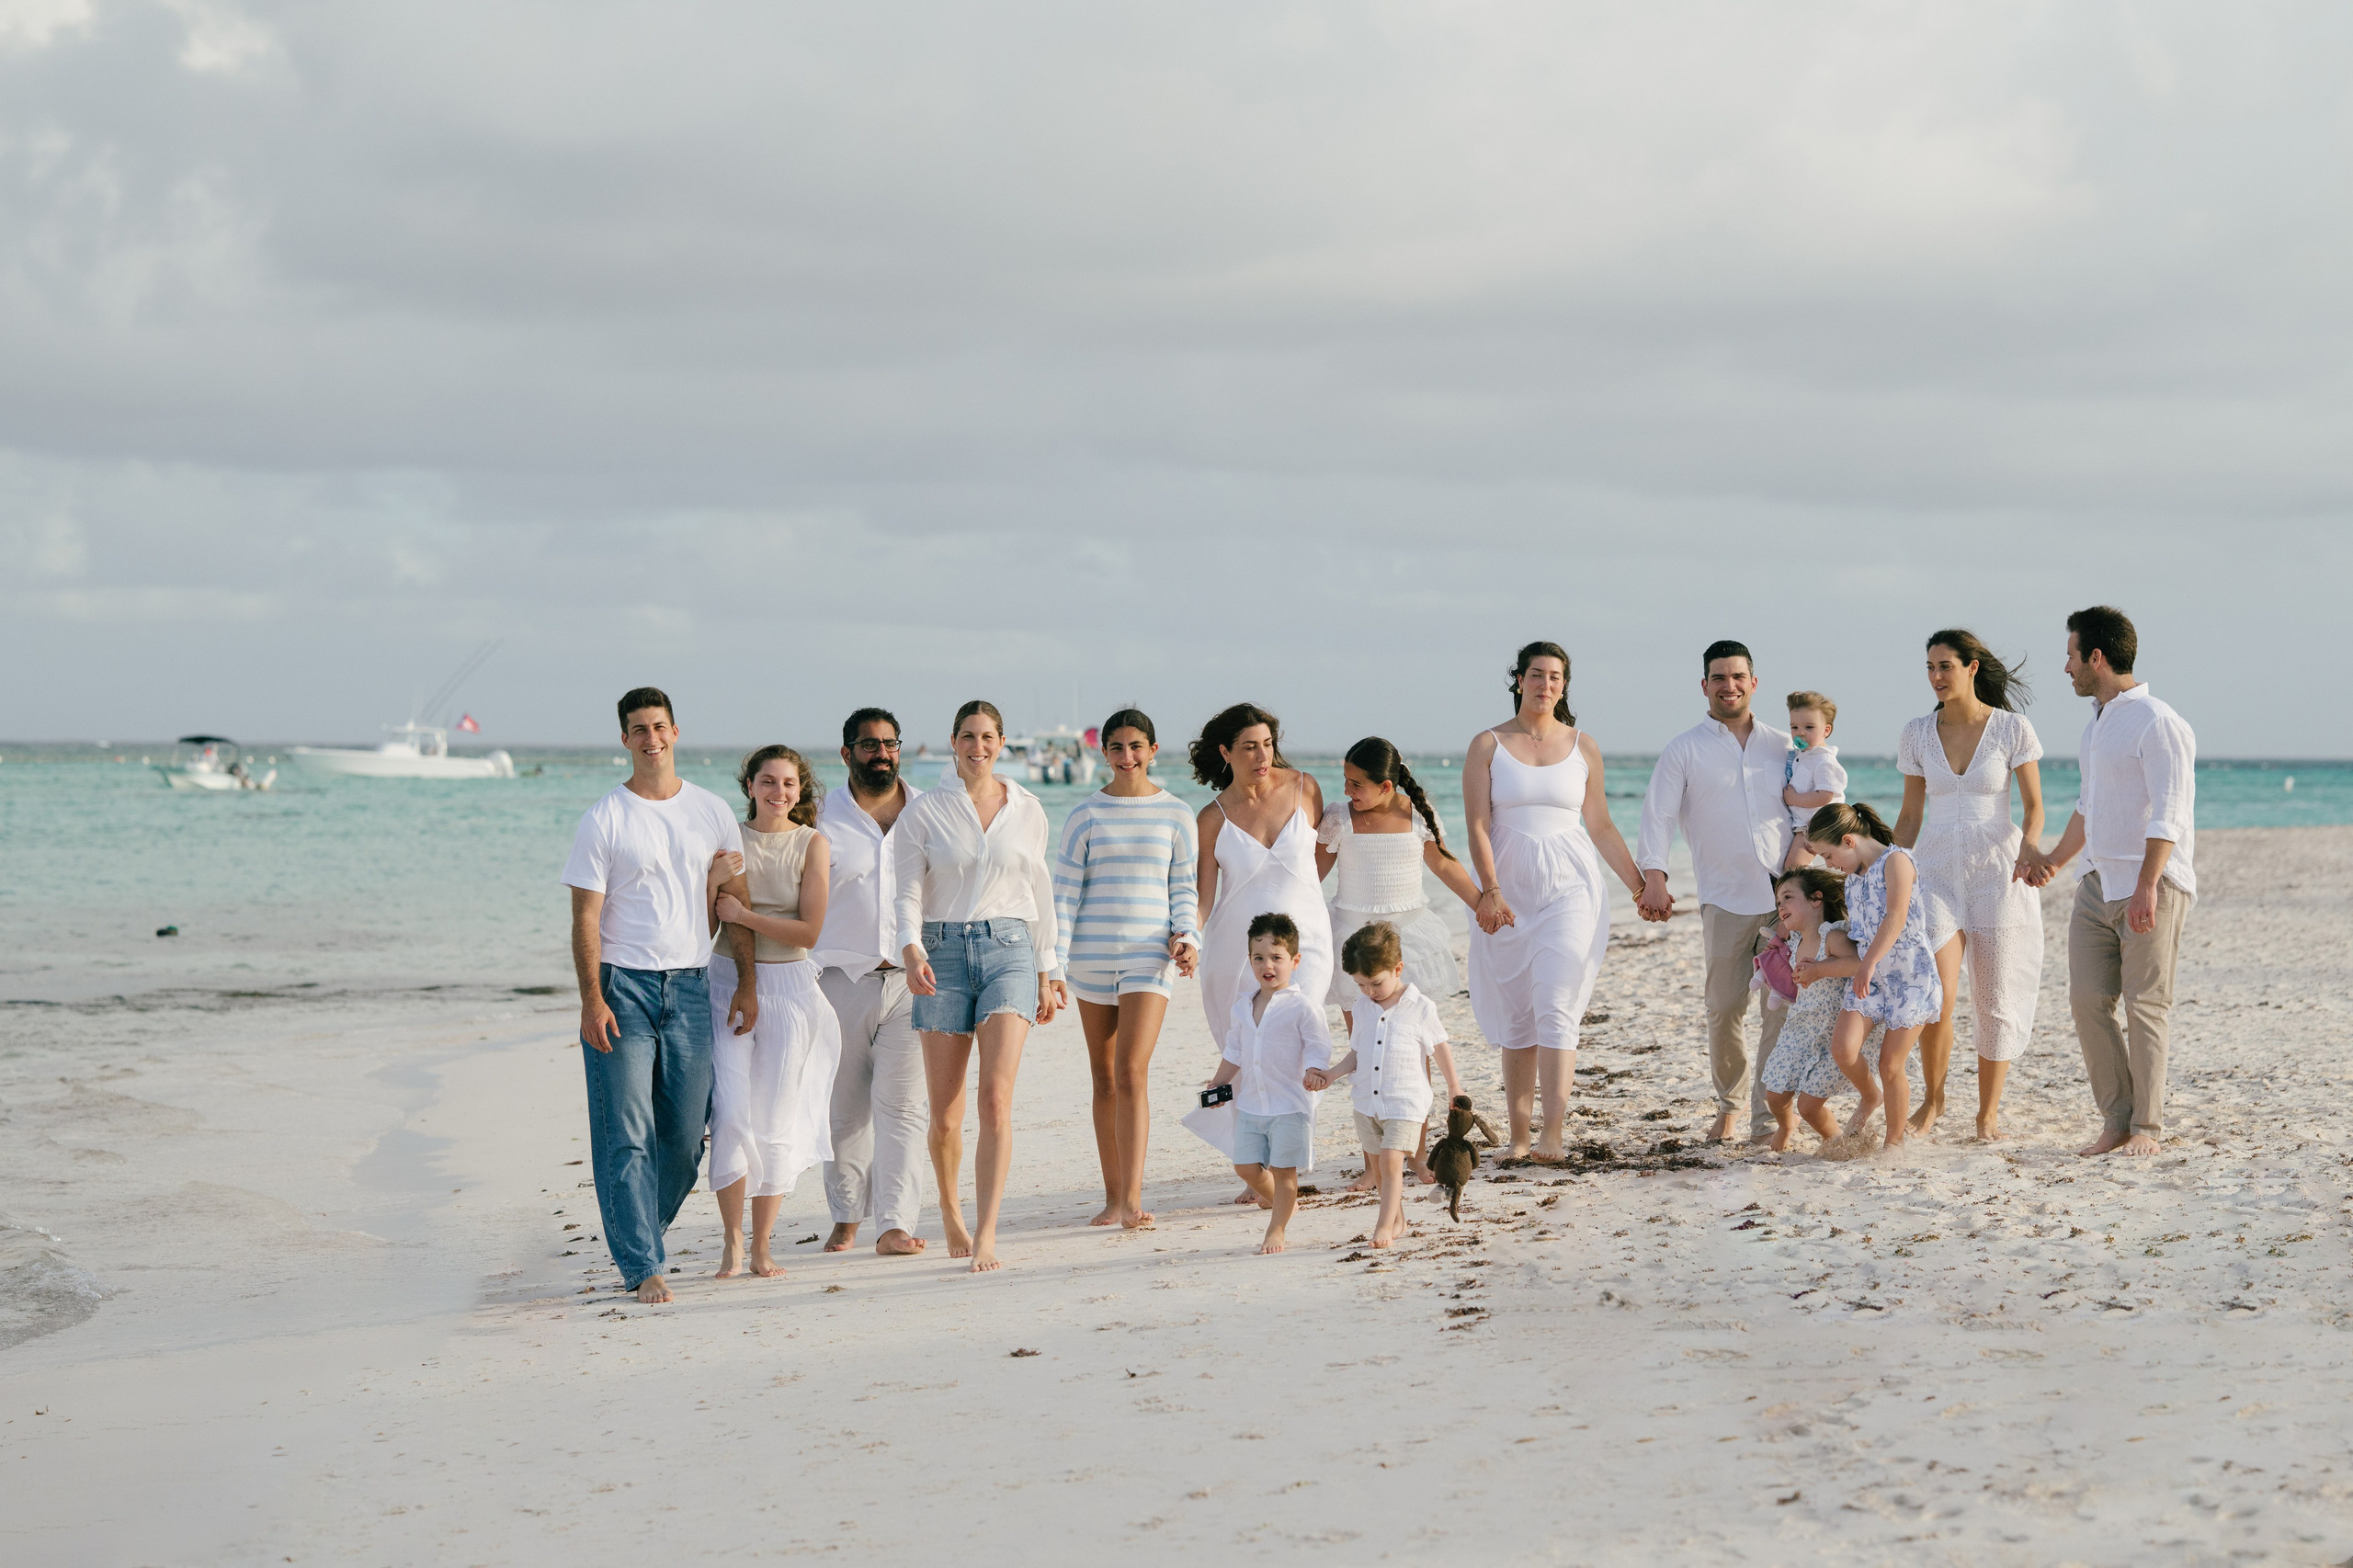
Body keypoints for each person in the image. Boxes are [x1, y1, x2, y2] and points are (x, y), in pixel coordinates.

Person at [561, 687, 755, 1304]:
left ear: (676, 732)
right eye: (639, 729)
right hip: (624, 988)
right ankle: (642, 1264)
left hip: (692, 987)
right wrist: (593, 1000)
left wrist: (748, 979)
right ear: (625, 739)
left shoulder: (712, 811)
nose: (651, 738)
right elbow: (585, 919)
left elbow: (732, 907)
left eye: (660, 727)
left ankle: (638, 1231)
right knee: (626, 1131)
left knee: (682, 1136)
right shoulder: (605, 817)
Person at [894, 699, 1065, 1271]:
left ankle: (988, 1230)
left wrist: (1049, 970)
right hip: (939, 953)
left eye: (988, 737)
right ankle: (950, 1211)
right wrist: (911, 946)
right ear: (953, 742)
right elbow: (906, 892)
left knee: (995, 1097)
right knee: (945, 1113)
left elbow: (1040, 892)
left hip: (1010, 950)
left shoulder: (1028, 809)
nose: (978, 747)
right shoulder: (923, 813)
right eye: (968, 736)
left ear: (1001, 742)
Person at [2020, 606, 2195, 1158]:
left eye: (2071, 655)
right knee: (2087, 1001)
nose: (2065, 666)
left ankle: (2147, 1127)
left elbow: (2170, 813)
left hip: (2152, 885)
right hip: (2097, 885)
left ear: (2097, 657)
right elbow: (2087, 809)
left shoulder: (2158, 721)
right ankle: (2116, 1119)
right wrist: (2054, 861)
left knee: (2147, 1005)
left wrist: (2148, 884)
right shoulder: (2095, 723)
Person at [1463, 642, 1645, 1161]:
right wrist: (1490, 890)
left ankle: (1553, 1134)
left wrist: (1638, 885)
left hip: (1571, 884)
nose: (1546, 684)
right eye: (1537, 675)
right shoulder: (1487, 745)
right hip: (1508, 889)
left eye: (1556, 677)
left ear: (1564, 685)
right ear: (1518, 680)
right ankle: (1520, 1136)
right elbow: (1477, 823)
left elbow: (1602, 825)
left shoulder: (1583, 746)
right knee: (1519, 1013)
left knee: (1557, 1006)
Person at [1636, 640, 1795, 1143]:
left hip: (1786, 902)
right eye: (1719, 678)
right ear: (1705, 686)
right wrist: (1655, 876)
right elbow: (1658, 814)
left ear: (1754, 682)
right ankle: (1729, 1105)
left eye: (1738, 676)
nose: (1729, 686)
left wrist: (1811, 860)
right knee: (1725, 1006)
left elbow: (1819, 806)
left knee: (1781, 1007)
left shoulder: (1783, 745)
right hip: (1724, 897)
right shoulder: (1684, 749)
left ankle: (1766, 1118)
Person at [1893, 631, 2046, 1142]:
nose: (1937, 677)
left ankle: (1987, 1115)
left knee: (1996, 994)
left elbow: (2035, 807)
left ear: (1972, 667)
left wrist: (2031, 845)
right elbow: (1911, 813)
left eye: (1946, 667)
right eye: (1930, 667)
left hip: (1998, 870)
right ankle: (1934, 1100)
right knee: (1936, 993)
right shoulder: (1917, 733)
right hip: (1933, 870)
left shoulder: (2011, 729)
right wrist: (1888, 868)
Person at [1052, 708, 1200, 1231]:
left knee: (1132, 1070)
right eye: (1116, 747)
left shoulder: (1177, 814)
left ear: (1153, 750)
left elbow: (1184, 888)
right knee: (1103, 1077)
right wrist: (1054, 963)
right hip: (1090, 956)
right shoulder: (1085, 815)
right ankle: (1113, 1198)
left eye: (1136, 746)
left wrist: (1188, 936)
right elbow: (1065, 896)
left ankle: (1134, 1200)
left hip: (1149, 955)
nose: (1127, 756)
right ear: (1105, 753)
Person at [1316, 736, 1482, 1189]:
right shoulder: (1339, 819)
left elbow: (1446, 866)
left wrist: (1482, 902)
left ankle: (1416, 1154)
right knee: (1365, 1052)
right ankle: (1373, 1165)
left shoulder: (1416, 816)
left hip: (1406, 945)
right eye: (1345, 780)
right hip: (1353, 942)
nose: (1347, 790)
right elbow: (1310, 878)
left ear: (1386, 785)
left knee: (1413, 1055)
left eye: (1356, 783)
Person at [706, 745, 841, 1278]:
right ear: (751, 786)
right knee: (732, 1114)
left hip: (789, 988)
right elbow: (705, 921)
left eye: (788, 783)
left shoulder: (813, 844)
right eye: (768, 781)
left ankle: (763, 1245)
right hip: (723, 983)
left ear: (800, 790)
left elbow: (809, 931)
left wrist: (744, 914)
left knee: (776, 1120)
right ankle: (732, 1241)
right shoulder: (728, 840)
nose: (778, 792)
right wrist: (716, 882)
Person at [1192, 703, 1333, 1200]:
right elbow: (1204, 899)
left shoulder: (1305, 788)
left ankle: (1284, 1167)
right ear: (1226, 752)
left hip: (1306, 944)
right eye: (1249, 747)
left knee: (1296, 1044)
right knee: (1251, 1054)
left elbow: (1317, 864)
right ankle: (1262, 1165)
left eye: (1268, 744)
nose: (1262, 756)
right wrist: (1187, 940)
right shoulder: (1212, 817)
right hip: (1235, 953)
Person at [812, 708, 930, 1257]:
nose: (881, 753)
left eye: (889, 743)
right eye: (868, 745)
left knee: (904, 1107)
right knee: (844, 1110)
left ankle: (895, 1223)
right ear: (846, 753)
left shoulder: (929, 812)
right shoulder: (815, 817)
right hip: (837, 980)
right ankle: (845, 1216)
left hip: (914, 982)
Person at [1308, 922, 1462, 1249]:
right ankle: (1399, 1218)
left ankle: (1382, 1226)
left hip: (1404, 1104)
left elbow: (1440, 1048)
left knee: (1392, 1161)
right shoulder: (1362, 1007)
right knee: (1379, 1170)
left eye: (1375, 983)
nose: (1369, 991)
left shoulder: (1420, 1007)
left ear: (1398, 968)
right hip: (1366, 1103)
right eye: (1360, 985)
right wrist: (1331, 1075)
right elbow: (1357, 1054)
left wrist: (1454, 1087)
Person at [1806, 802, 1944, 1149]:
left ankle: (1893, 1143)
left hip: (1910, 978)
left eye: (1828, 854)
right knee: (1844, 1050)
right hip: (1871, 978)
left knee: (1890, 1064)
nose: (1829, 864)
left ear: (1849, 841)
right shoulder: (1853, 878)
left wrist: (1865, 965)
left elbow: (1895, 919)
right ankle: (1871, 1097)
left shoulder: (1897, 861)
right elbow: (1856, 933)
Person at [1201, 914, 1332, 1255]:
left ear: (1295, 960)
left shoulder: (1303, 1007)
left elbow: (1319, 1047)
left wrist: (1316, 1070)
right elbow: (1234, 1051)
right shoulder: (1243, 1006)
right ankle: (1282, 1203)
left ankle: (1277, 1229)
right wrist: (1217, 1085)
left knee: (1284, 1172)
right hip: (1251, 1104)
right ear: (1250, 960)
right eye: (1259, 958)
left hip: (1288, 1105)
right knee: (1244, 1166)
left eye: (1276, 957)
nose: (1267, 965)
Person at [1757, 868, 1866, 1152]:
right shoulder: (1795, 942)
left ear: (1816, 900)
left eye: (1788, 898)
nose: (1781, 907)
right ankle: (1785, 1124)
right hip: (1799, 1029)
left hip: (1832, 1034)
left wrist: (1819, 969)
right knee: (1775, 1094)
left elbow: (1858, 964)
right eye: (1778, 902)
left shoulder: (1832, 937)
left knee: (1809, 1105)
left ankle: (1834, 1141)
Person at [1780, 693, 1848, 871]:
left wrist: (1793, 799)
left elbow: (1824, 796)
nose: (1800, 733)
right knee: (1793, 868)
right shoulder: (1804, 756)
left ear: (1826, 731)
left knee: (1793, 869)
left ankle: (1818, 893)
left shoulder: (1824, 761)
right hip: (1805, 825)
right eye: (1794, 727)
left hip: (1818, 826)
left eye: (1809, 727)